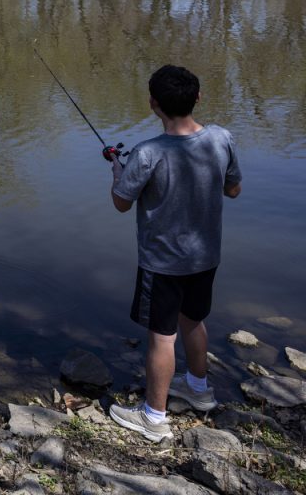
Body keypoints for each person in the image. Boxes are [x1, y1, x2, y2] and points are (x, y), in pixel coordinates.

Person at [107, 64, 241, 441]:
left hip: (162, 263)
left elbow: (121, 202)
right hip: (205, 256)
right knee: (193, 321)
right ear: (198, 97)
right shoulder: (221, 138)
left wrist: (118, 171)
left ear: (154, 104)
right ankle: (198, 390)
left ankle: (153, 416)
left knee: (161, 337)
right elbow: (233, 190)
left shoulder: (148, 153)